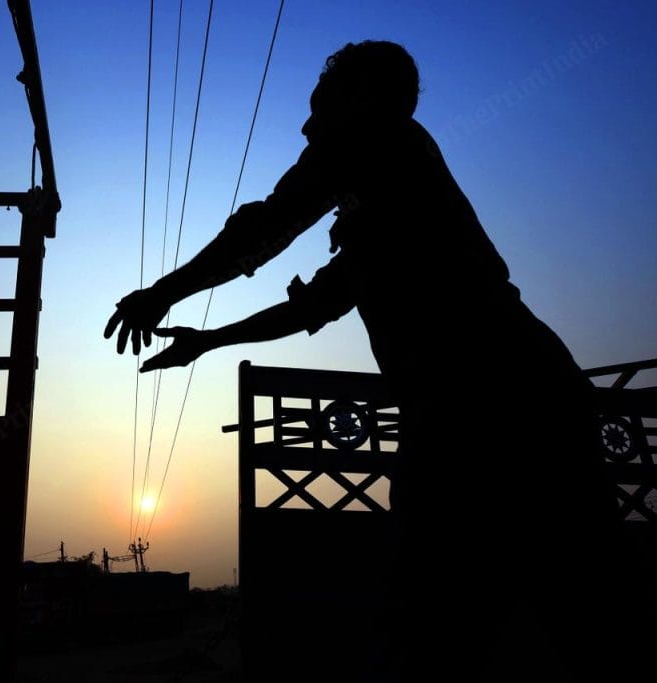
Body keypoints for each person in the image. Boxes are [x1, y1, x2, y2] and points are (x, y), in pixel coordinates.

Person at [105, 41, 643, 681]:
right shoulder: (387, 199)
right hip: (510, 398)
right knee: (544, 614)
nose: (306, 127)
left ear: (362, 100)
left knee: (488, 617)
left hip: (490, 405)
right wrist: (208, 340)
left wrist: (161, 292)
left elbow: (266, 227)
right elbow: (315, 304)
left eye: (318, 109)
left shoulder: (379, 142)